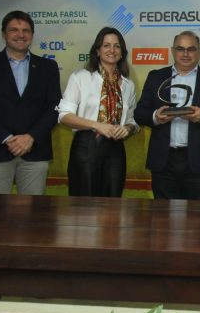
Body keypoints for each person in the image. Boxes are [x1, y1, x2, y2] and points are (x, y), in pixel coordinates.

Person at [0, 10, 61, 195]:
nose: (20, 34)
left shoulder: (48, 67)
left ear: (32, 35)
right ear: (4, 34)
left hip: (35, 151)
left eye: (26, 30)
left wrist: (30, 137)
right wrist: (7, 138)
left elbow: (54, 107)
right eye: (14, 30)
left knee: (32, 210)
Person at [134, 31, 200, 200]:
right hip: (163, 161)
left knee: (197, 214)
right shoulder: (156, 77)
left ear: (199, 52)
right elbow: (140, 113)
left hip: (197, 160)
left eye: (191, 49)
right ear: (172, 51)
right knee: (163, 213)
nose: (185, 54)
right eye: (180, 49)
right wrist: (156, 116)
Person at [57, 27, 139, 197]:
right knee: (83, 203)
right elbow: (64, 115)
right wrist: (97, 125)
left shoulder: (128, 85)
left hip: (115, 149)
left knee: (112, 203)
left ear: (122, 53)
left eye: (117, 46)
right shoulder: (81, 77)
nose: (112, 50)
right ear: (97, 51)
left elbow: (132, 120)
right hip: (86, 146)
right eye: (106, 45)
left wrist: (128, 128)